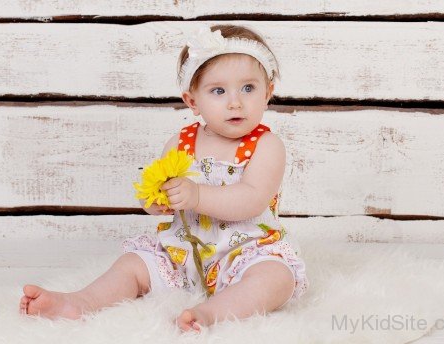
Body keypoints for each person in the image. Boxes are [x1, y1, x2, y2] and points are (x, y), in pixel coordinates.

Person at [19, 24, 308, 332]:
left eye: (248, 88)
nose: (235, 102)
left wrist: (197, 196)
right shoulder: (180, 143)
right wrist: (156, 202)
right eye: (218, 91)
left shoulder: (266, 145)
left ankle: (209, 314)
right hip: (181, 253)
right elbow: (156, 189)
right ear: (193, 101)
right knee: (133, 264)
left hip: (246, 253)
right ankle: (79, 302)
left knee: (276, 279)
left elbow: (252, 199)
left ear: (268, 93)